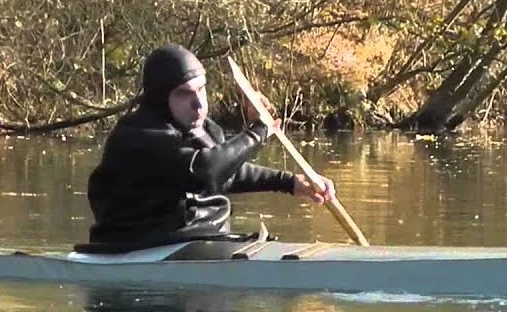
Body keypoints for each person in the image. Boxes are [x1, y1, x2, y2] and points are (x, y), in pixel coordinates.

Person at [86, 43, 335, 247]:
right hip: (142, 245)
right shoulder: (138, 135)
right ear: (161, 97)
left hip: (198, 241)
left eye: (201, 90)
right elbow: (205, 172)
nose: (198, 104)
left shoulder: (204, 129)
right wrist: (258, 131)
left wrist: (290, 182)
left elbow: (226, 173)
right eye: (184, 93)